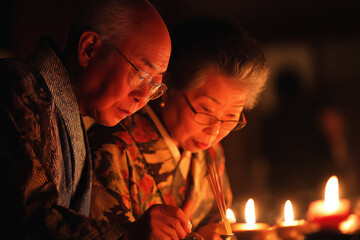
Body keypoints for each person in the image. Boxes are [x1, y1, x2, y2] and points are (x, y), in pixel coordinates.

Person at [0, 0, 171, 239]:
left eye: (154, 86)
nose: (143, 98)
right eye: (141, 75)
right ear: (89, 49)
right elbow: (29, 221)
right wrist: (129, 236)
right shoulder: (15, 88)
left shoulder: (69, 116)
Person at [88, 17, 269, 240]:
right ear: (169, 87)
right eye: (205, 111)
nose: (214, 131)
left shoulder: (211, 155)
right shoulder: (112, 147)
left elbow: (218, 225)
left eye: (231, 117)